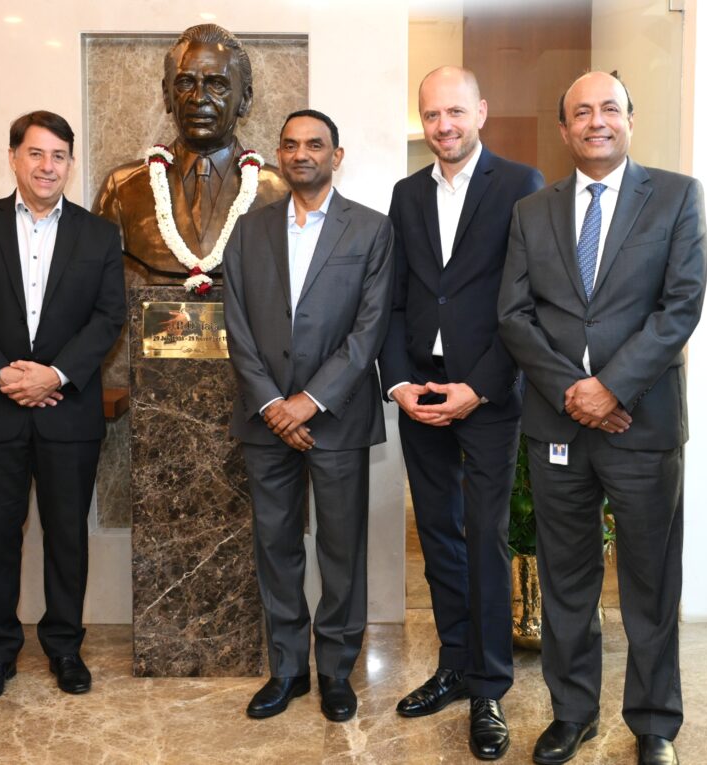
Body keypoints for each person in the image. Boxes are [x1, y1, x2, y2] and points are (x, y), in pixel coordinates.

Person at [498, 72, 707, 765]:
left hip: (642, 427)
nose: (596, 121)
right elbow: (515, 315)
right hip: (559, 426)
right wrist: (574, 392)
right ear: (564, 130)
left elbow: (680, 305)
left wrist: (612, 388)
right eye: (581, 112)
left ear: (629, 119)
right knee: (566, 579)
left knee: (650, 581)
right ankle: (573, 714)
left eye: (608, 108)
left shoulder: (677, 196)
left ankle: (654, 724)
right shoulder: (533, 212)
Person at [377, 66, 543, 760]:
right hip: (423, 384)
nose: (443, 126)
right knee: (438, 534)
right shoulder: (407, 193)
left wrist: (483, 384)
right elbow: (396, 296)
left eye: (454, 112)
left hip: (489, 390)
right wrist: (398, 382)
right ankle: (451, 663)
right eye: (431, 114)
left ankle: (489, 687)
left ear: (481, 110)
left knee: (484, 535)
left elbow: (528, 297)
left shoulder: (520, 184)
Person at [0, 111, 125, 704]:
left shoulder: (99, 235)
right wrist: (2, 375)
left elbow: (108, 317)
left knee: (67, 533)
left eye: (60, 156)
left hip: (68, 412)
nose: (48, 167)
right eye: (37, 154)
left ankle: (66, 648)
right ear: (14, 157)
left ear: (71, 163)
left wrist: (56, 375)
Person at [224, 110, 392, 723]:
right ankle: (288, 669)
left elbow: (369, 329)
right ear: (278, 154)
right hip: (266, 419)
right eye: (291, 145)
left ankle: (336, 671)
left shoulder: (371, 230)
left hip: (337, 418)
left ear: (336, 156)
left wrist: (309, 401)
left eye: (315, 145)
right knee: (275, 547)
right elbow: (235, 323)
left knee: (341, 549)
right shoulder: (248, 230)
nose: (302, 154)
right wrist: (273, 402)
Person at [93, 23, 288, 287]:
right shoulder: (122, 188)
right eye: (185, 82)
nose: (199, 98)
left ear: (245, 100)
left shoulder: (278, 191)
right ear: (166, 94)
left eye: (217, 84)